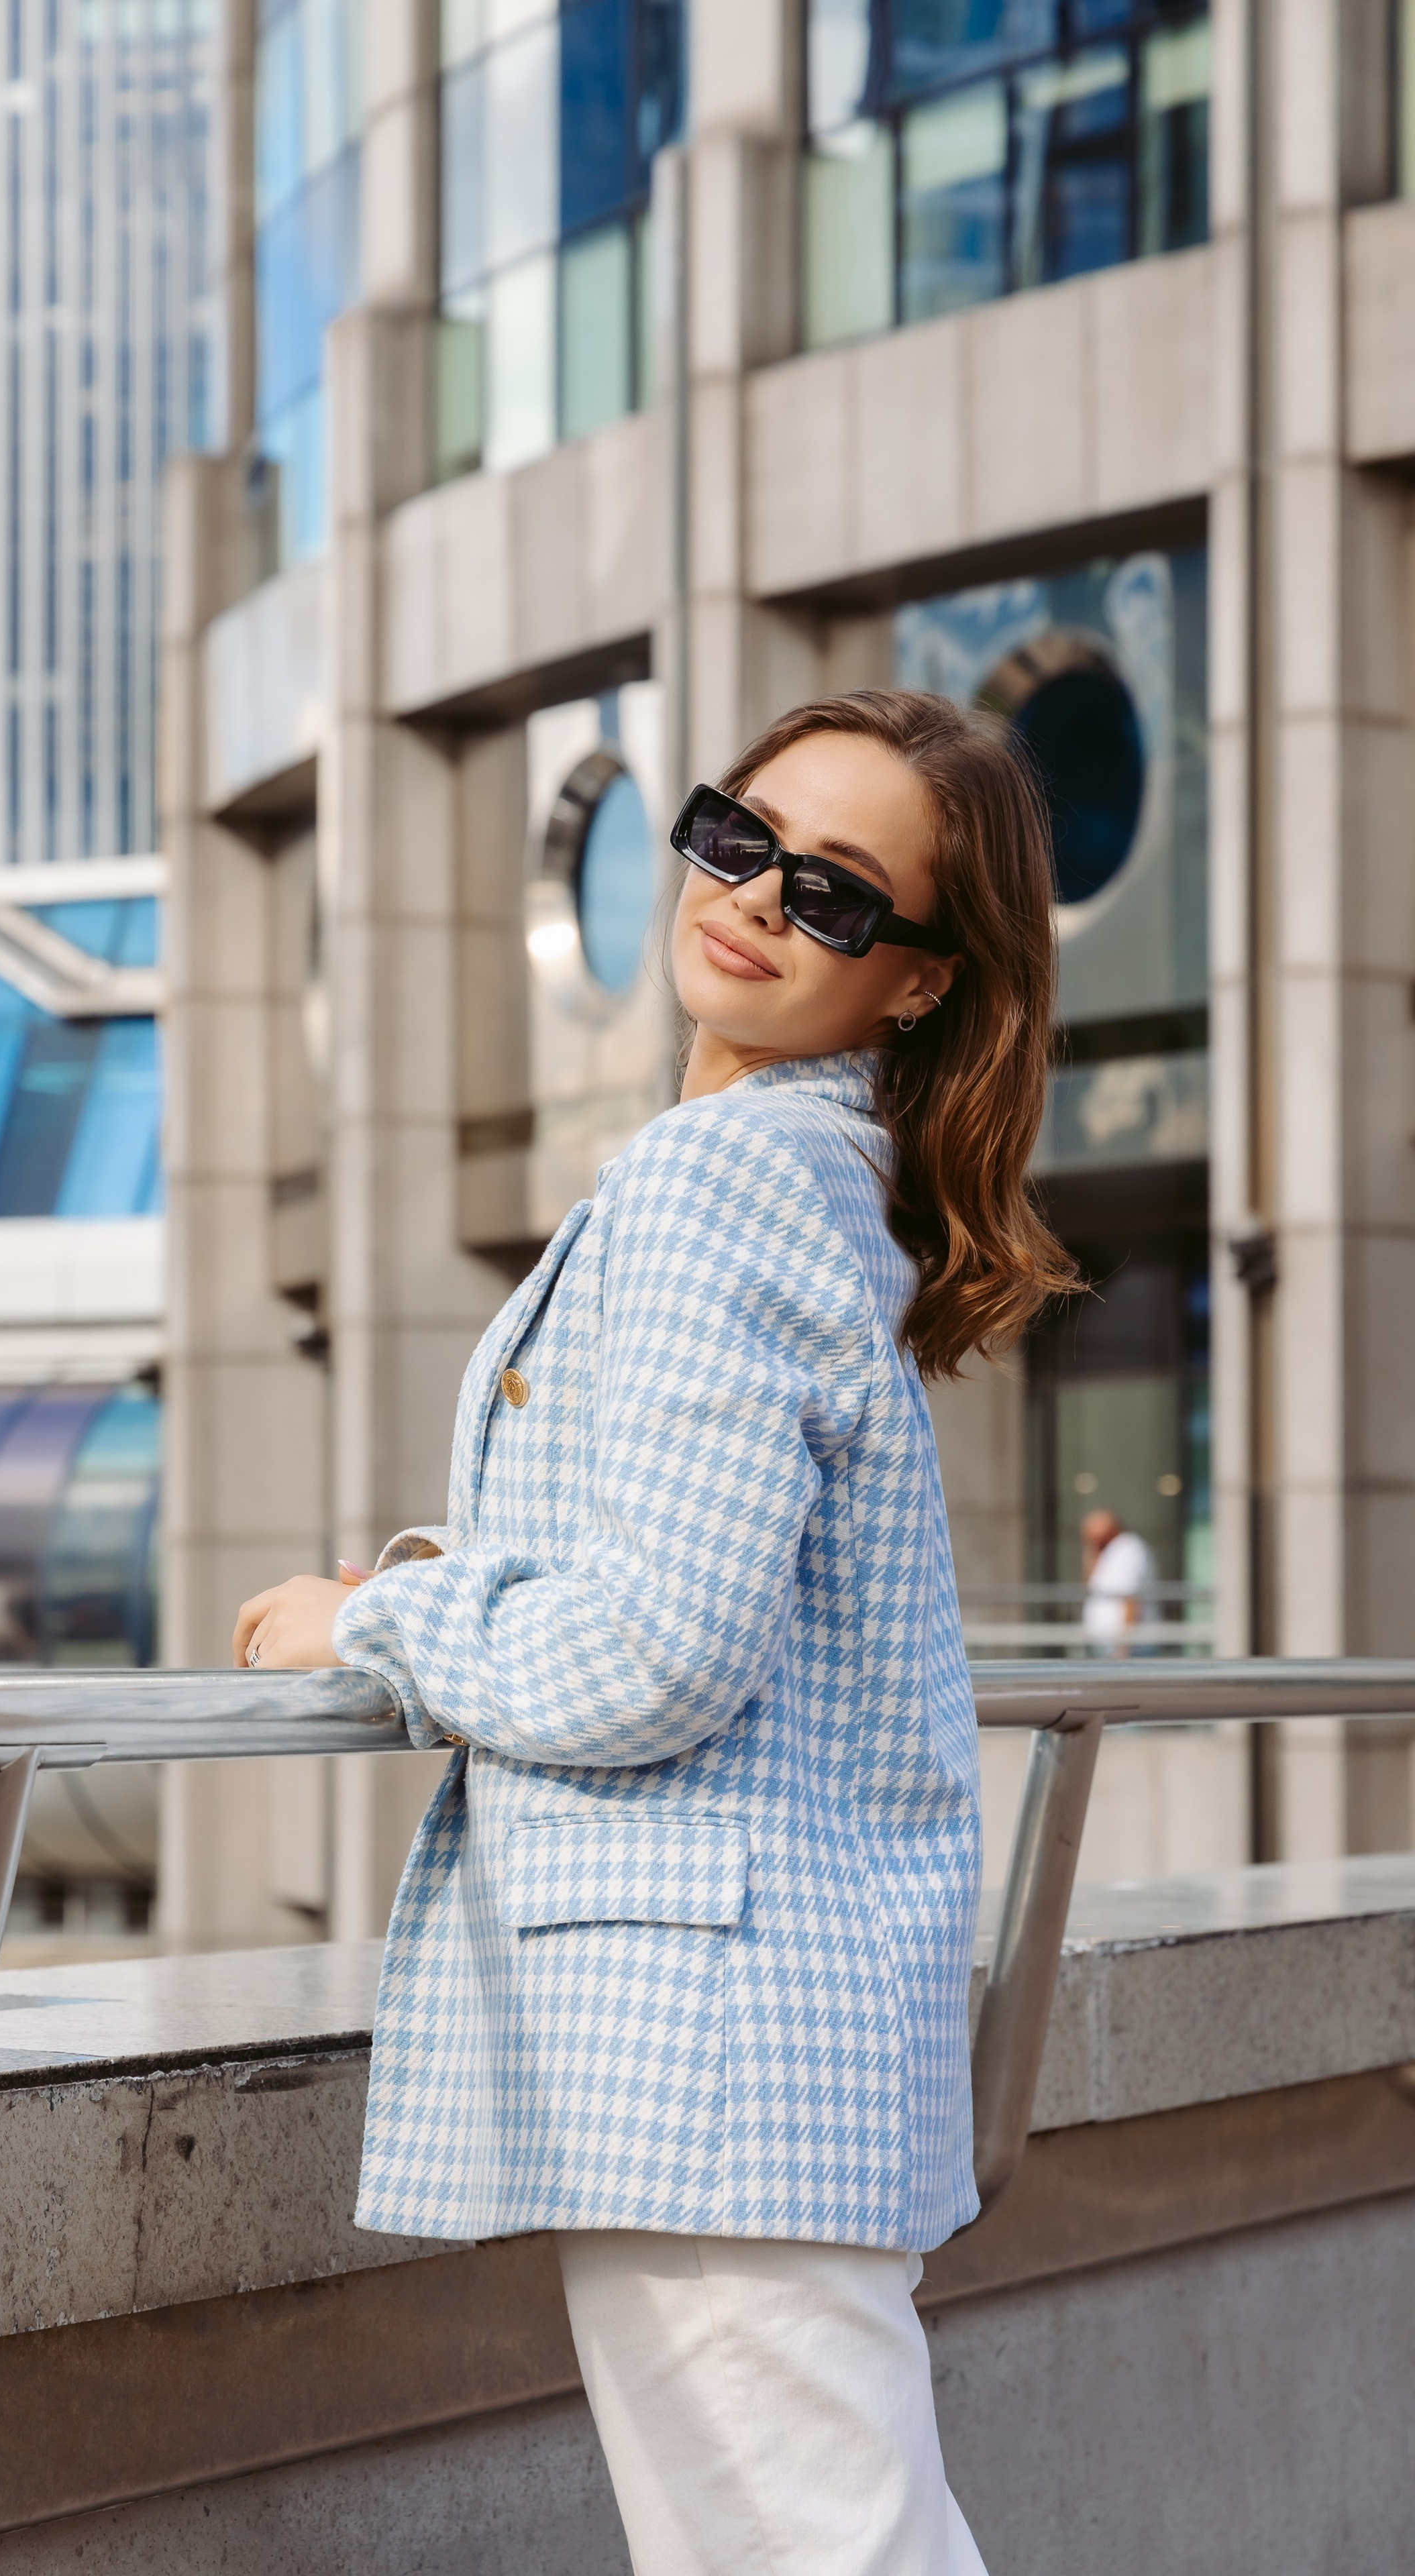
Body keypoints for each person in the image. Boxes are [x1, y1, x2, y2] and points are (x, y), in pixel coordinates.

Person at [234, 692, 1074, 2575]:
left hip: (719, 2060)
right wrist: (455, 1567)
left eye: (839, 897)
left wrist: (387, 1617)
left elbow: (659, 1658)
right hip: (766, 2051)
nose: (758, 900)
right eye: (736, 835)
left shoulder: (717, 1185)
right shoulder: (798, 1178)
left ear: (921, 982)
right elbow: (694, 1570)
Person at [1080, 1508, 1156, 1653]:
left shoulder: (1127, 1549)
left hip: (1126, 1649)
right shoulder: (1108, 1552)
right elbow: (1088, 1586)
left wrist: (1123, 1647)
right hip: (1109, 1646)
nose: (1086, 1537)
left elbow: (1130, 1599)